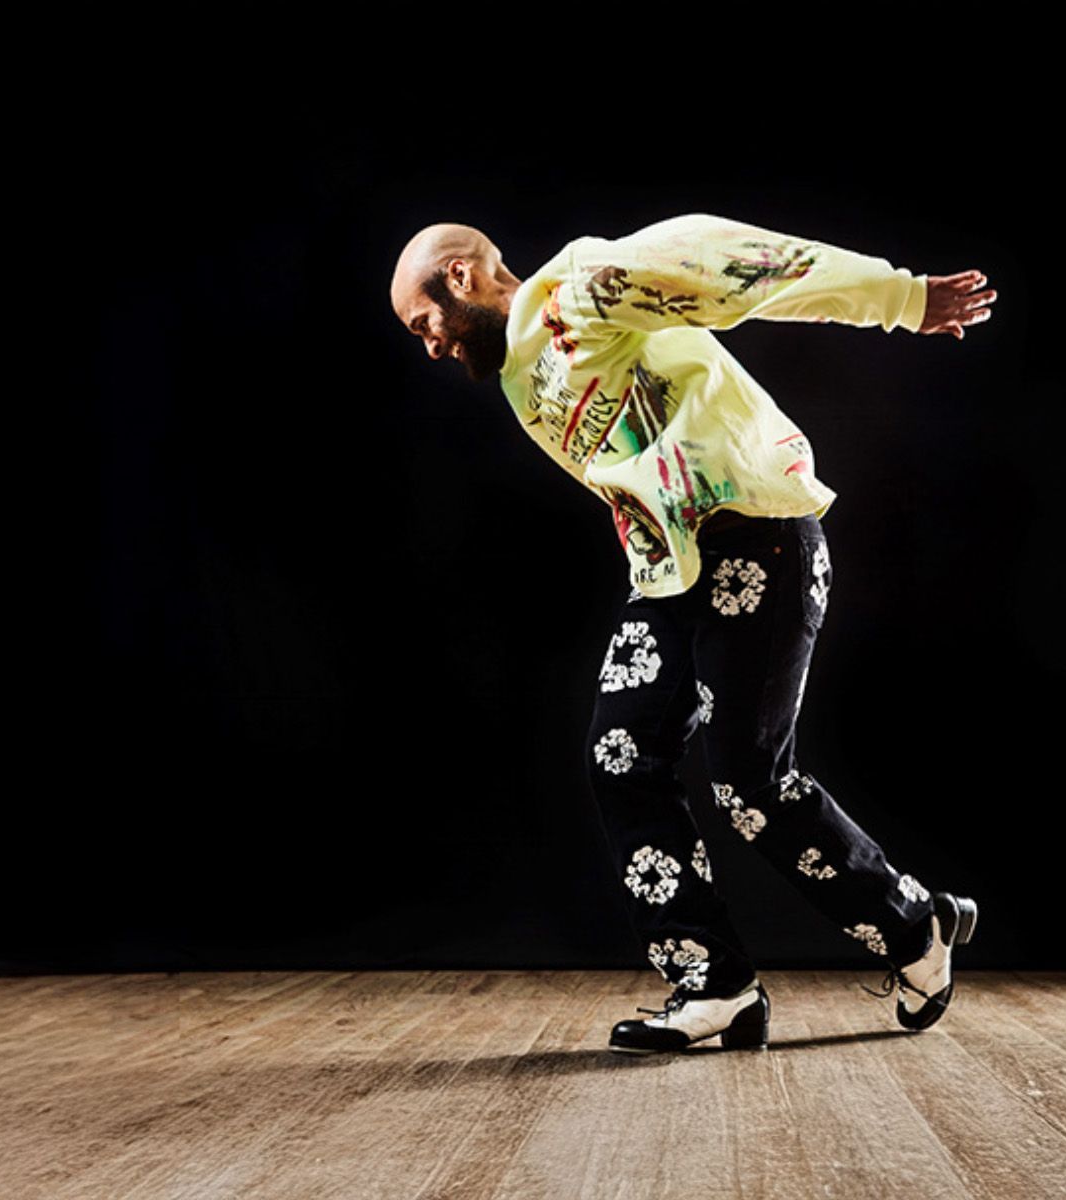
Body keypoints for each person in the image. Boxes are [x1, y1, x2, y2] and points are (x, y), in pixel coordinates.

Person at [389, 213, 991, 1054]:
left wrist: (898, 298)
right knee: (621, 756)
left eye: (427, 325)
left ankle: (911, 923)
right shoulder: (523, 377)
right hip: (674, 572)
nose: (432, 348)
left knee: (748, 783)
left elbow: (724, 258)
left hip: (760, 535)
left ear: (460, 278)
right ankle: (716, 987)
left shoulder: (582, 287)